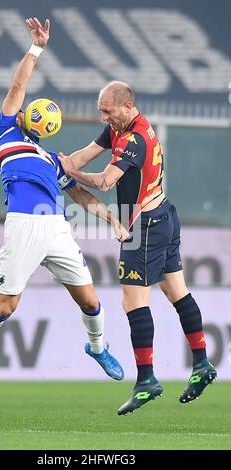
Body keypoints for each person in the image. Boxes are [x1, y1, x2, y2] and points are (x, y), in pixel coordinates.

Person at [0, 18, 129, 384]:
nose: (25, 109)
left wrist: (114, 222)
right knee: (7, 305)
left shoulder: (51, 159)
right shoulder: (5, 131)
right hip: (23, 224)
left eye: (32, 111)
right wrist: (36, 48)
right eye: (29, 108)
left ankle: (98, 346)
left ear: (42, 126)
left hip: (55, 227)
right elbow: (18, 84)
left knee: (89, 301)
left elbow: (81, 195)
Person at [58, 80, 217, 415]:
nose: (103, 117)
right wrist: (59, 162)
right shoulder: (118, 129)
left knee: (133, 302)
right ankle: (202, 364)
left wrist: (72, 174)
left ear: (127, 106)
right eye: (101, 111)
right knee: (178, 292)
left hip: (145, 224)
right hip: (163, 214)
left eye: (108, 111)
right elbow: (81, 157)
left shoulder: (134, 139)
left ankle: (146, 379)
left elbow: (103, 180)